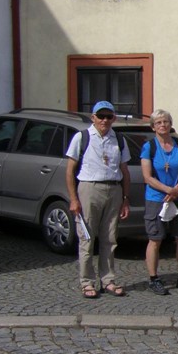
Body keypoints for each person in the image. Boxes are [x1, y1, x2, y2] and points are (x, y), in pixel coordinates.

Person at [65, 101, 131, 299]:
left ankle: (108, 280)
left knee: (110, 238)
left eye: (108, 117)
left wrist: (125, 198)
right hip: (89, 188)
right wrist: (73, 199)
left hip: (114, 189)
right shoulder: (82, 137)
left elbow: (125, 171)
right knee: (86, 237)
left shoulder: (118, 139)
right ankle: (86, 281)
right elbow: (70, 170)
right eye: (100, 116)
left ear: (114, 118)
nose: (104, 120)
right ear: (93, 117)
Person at [140, 108, 178, 295]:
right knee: (155, 239)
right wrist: (168, 190)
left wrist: (176, 189)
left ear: (171, 124)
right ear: (153, 127)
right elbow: (147, 177)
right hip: (156, 198)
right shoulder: (149, 147)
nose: (163, 125)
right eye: (159, 122)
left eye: (166, 121)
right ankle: (154, 278)